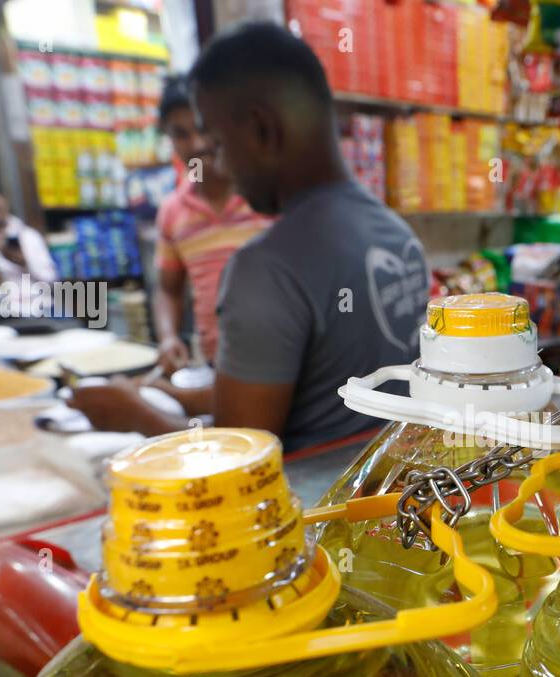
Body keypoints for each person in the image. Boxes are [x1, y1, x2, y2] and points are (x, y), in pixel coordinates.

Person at [69, 22, 430, 452]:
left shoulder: (266, 268)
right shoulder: (398, 235)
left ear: (262, 130)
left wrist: (132, 414)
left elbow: (238, 455)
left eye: (218, 143)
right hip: (393, 491)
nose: (217, 165)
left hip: (311, 507)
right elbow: (315, 382)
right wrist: (179, 398)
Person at [151, 75, 272, 373]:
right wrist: (168, 338)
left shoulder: (268, 196)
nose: (197, 144)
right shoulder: (172, 211)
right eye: (180, 134)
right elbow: (168, 289)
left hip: (279, 362)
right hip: (216, 366)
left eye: (202, 129)